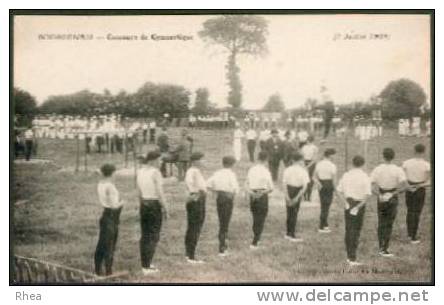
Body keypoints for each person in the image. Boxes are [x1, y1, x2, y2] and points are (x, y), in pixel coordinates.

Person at [370, 148, 407, 257]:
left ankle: (381, 246)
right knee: (389, 222)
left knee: (382, 221)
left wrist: (379, 195)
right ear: (393, 157)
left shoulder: (378, 169)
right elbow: (404, 186)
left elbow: (371, 186)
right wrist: (392, 194)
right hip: (392, 196)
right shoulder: (397, 169)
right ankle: (384, 248)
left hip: (381, 195)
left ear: (383, 156)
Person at [336, 155, 372, 266]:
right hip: (358, 204)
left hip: (348, 203)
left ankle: (349, 255)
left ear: (352, 163)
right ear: (363, 164)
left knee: (349, 228)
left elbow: (338, 191)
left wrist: (345, 203)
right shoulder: (365, 176)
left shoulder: (346, 175)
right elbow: (367, 195)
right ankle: (352, 258)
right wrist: (358, 207)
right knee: (355, 230)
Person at [136, 151, 168, 274]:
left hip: (144, 203)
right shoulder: (156, 172)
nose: (160, 163)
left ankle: (145, 263)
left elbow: (138, 191)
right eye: (160, 160)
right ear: (154, 160)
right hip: (154, 204)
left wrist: (141, 204)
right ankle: (147, 266)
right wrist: (165, 208)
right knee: (154, 235)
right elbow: (160, 193)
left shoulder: (140, 171)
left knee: (145, 234)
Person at [206, 156, 239, 256]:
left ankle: (223, 243)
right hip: (228, 198)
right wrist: (232, 194)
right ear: (232, 164)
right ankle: (222, 248)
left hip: (220, 197)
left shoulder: (217, 173)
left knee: (222, 221)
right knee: (225, 223)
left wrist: (215, 191)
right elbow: (236, 189)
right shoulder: (231, 174)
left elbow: (207, 184)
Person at [94, 164, 124, 276]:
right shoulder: (110, 186)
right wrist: (122, 202)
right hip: (112, 216)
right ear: (112, 173)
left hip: (105, 215)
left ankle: (98, 269)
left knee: (102, 244)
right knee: (110, 245)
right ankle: (108, 271)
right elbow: (114, 206)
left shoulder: (100, 184)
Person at [402, 144, 431, 244]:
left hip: (409, 188)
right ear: (424, 152)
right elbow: (429, 182)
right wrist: (419, 186)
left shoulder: (406, 163)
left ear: (414, 150)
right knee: (416, 212)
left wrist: (409, 186)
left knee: (410, 211)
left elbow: (403, 178)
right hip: (420, 189)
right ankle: (413, 236)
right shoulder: (426, 165)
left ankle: (409, 234)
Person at [245, 151, 274, 249]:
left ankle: (256, 238)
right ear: (266, 159)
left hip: (252, 194)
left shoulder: (252, 169)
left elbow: (246, 184)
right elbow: (271, 188)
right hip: (262, 194)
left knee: (255, 216)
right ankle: (255, 241)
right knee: (261, 218)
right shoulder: (266, 171)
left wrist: (251, 193)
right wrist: (261, 193)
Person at [184, 152, 207, 263]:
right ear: (196, 161)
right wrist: (196, 195)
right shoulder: (194, 171)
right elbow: (194, 186)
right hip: (197, 199)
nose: (203, 162)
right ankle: (191, 255)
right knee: (195, 226)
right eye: (202, 159)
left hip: (196, 198)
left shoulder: (193, 171)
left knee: (193, 226)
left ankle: (189, 253)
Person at [282, 152, 309, 242]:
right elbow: (305, 187)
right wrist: (297, 197)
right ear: (301, 160)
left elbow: (284, 184)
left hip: (289, 190)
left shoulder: (287, 169)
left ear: (292, 160)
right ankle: (291, 234)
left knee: (289, 212)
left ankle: (288, 232)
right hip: (297, 190)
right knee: (294, 212)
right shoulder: (303, 171)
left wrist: (286, 195)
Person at [313, 148, 337, 233]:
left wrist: (318, 183)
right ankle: (321, 226)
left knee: (324, 205)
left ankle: (325, 224)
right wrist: (336, 190)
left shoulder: (319, 164)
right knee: (326, 206)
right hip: (329, 184)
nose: (335, 157)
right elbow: (334, 180)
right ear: (330, 155)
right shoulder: (332, 165)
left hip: (321, 185)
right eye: (334, 155)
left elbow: (314, 177)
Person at [301, 135, 318, 202]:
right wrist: (303, 165)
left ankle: (309, 195)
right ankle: (304, 195)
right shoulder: (304, 147)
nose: (307, 142)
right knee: (304, 178)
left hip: (311, 163)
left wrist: (308, 166)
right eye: (307, 141)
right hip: (304, 163)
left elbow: (315, 159)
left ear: (311, 141)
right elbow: (302, 157)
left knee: (310, 179)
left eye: (308, 141)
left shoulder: (314, 148)